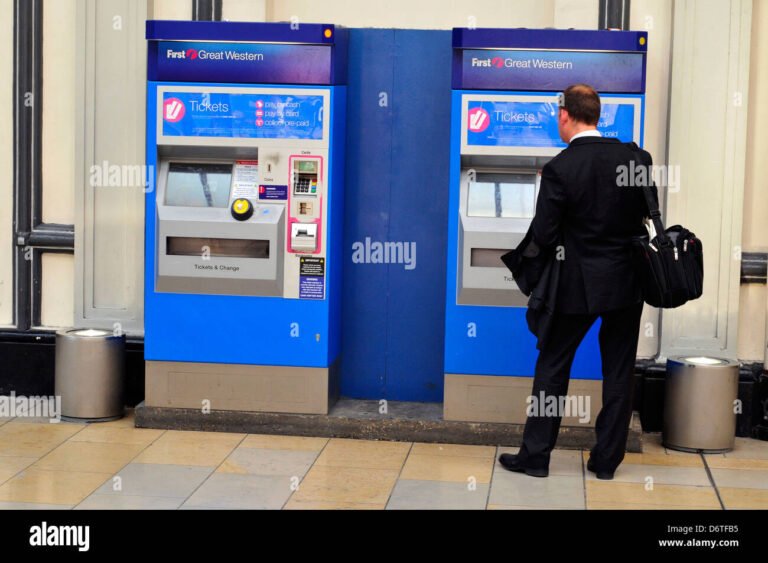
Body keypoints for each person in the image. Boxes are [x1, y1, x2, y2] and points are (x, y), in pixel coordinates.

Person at [498, 84, 657, 480]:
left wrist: (523, 269)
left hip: (575, 286)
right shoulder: (635, 158)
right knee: (619, 371)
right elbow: (644, 215)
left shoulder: (560, 168)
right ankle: (606, 462)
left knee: (552, 367)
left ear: (565, 115)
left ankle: (535, 457)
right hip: (625, 283)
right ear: (596, 115)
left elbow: (546, 235)